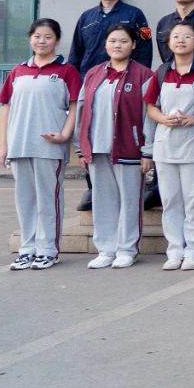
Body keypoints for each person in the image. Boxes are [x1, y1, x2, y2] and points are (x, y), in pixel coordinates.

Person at [68, 0, 153, 212]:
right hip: (93, 85)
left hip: (126, 83)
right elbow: (76, 52)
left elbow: (145, 47)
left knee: (123, 137)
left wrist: (137, 79)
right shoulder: (86, 18)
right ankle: (93, 187)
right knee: (95, 137)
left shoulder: (135, 14)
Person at [0, 19, 81, 271]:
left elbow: (75, 107)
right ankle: (27, 249)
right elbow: (8, 108)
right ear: (30, 38)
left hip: (49, 146)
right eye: (37, 36)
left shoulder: (67, 71)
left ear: (57, 40)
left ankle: (48, 250)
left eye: (47, 37)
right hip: (20, 144)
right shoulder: (18, 71)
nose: (41, 41)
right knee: (25, 200)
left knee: (48, 199)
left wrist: (65, 135)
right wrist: (5, 145)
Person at [76, 24, 155, 270]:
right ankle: (106, 249)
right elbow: (82, 110)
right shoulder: (94, 73)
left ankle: (127, 249)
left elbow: (149, 115)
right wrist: (81, 146)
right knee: (102, 200)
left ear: (133, 44)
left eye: (123, 41)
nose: (117, 45)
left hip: (129, 147)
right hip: (97, 148)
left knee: (130, 201)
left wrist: (148, 150)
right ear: (105, 44)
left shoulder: (143, 75)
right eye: (112, 41)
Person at [145, 21, 194, 271]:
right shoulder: (162, 71)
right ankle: (174, 250)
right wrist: (163, 118)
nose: (181, 40)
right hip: (166, 146)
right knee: (171, 200)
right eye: (176, 36)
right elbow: (151, 106)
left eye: (187, 36)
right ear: (169, 42)